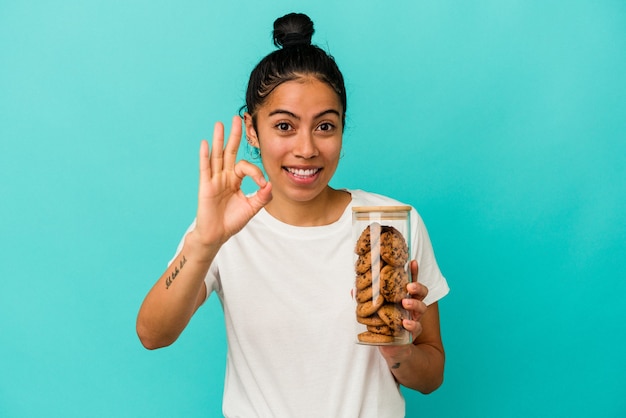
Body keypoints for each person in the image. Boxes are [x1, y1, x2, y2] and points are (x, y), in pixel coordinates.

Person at [136, 12, 449, 417]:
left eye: (325, 126)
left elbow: (432, 376)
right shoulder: (225, 228)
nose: (306, 149)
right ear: (253, 130)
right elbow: (152, 334)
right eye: (284, 126)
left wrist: (396, 348)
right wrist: (204, 243)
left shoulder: (387, 223)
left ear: (341, 130)